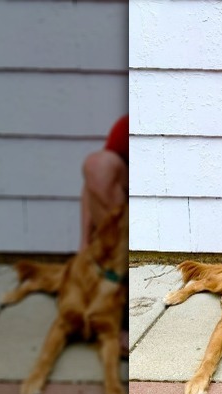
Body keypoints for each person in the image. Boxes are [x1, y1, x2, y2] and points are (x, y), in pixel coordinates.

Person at [80, 114, 129, 356]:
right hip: (117, 229)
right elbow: (91, 187)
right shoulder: (126, 126)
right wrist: (84, 245)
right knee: (97, 165)